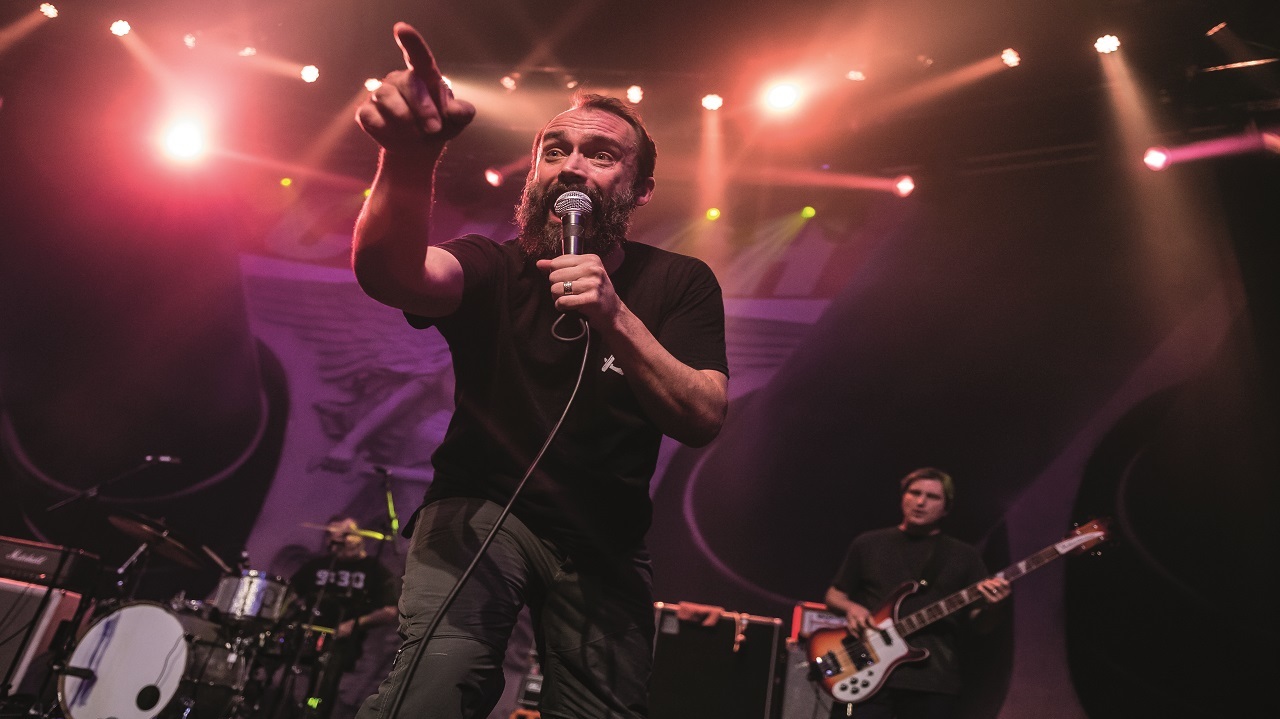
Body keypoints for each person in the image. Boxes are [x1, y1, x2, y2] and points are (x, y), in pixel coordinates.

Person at [349, 22, 729, 719]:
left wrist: (615, 316)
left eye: (600, 154)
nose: (572, 165)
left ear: (640, 189)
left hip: (605, 539)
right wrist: (408, 159)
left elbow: (703, 414)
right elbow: (393, 274)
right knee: (438, 684)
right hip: (479, 506)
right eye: (555, 150)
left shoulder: (680, 283)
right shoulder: (492, 265)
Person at [823, 468, 1011, 719]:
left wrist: (995, 607)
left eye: (932, 497)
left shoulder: (964, 556)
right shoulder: (868, 544)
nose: (921, 502)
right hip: (867, 672)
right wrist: (852, 608)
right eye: (915, 493)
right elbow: (834, 595)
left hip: (933, 682)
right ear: (903, 497)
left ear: (946, 508)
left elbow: (982, 625)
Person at [286, 518, 400, 719]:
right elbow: (290, 593)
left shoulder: (375, 570)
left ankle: (314, 710)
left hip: (344, 647)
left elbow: (390, 610)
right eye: (333, 536)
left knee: (321, 693)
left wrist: (355, 624)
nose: (340, 541)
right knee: (290, 687)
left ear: (360, 536)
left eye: (346, 535)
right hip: (304, 641)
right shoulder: (318, 565)